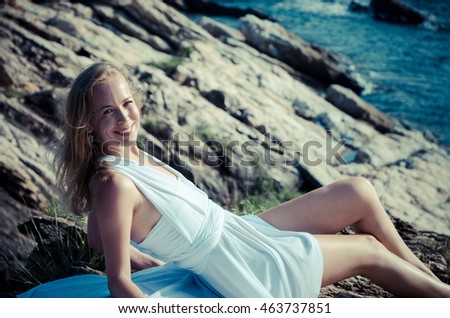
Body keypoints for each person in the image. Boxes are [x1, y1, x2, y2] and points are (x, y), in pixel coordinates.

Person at [24, 62, 450, 298]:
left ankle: (428, 281)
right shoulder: (114, 182)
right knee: (368, 250)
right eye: (107, 113)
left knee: (357, 189)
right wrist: (145, 271)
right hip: (242, 265)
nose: (124, 118)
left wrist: (149, 257)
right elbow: (118, 282)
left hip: (237, 232)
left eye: (127, 104)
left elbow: (99, 237)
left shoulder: (129, 159)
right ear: (89, 126)